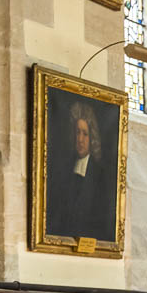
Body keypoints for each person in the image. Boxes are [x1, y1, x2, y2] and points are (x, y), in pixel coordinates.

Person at [44, 103, 112, 242]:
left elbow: (101, 219)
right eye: (78, 132)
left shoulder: (100, 175)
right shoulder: (65, 169)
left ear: (92, 138)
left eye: (85, 134)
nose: (80, 139)